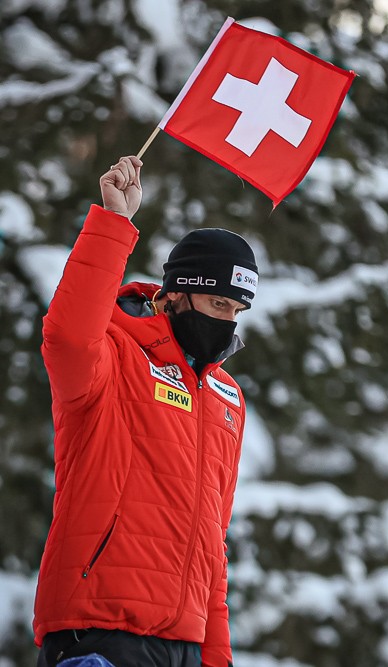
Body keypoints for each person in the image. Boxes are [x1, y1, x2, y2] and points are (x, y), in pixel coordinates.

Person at [32, 156, 259, 667]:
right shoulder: (115, 353)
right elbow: (67, 337)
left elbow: (212, 544)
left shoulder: (226, 396)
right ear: (176, 293)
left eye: (237, 311)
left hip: (185, 644)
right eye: (218, 304)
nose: (228, 322)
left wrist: (215, 655)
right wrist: (114, 223)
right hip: (100, 632)